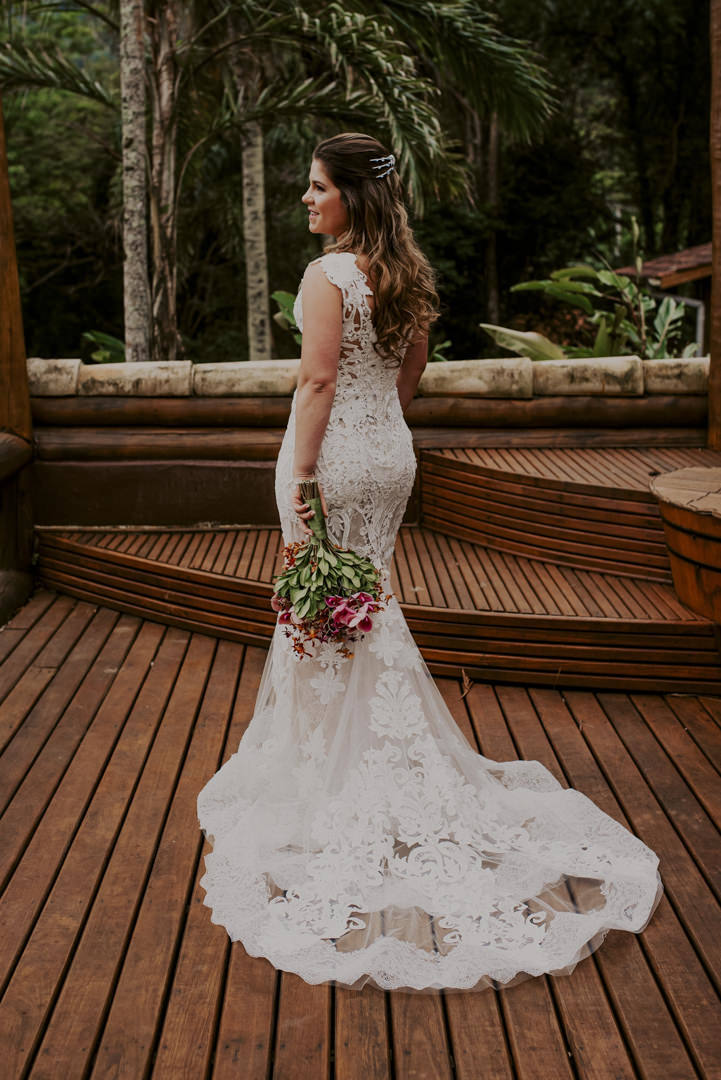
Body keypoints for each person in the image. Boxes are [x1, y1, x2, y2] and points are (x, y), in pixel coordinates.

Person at [196, 131, 663, 994]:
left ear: (349, 197)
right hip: (387, 456)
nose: (305, 200)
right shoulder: (403, 271)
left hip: (331, 456)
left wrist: (300, 478)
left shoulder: (327, 276)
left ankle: (329, 777)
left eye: (315, 188)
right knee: (363, 604)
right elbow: (405, 373)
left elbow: (315, 383)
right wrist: (380, 431)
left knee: (327, 608)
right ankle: (350, 758)